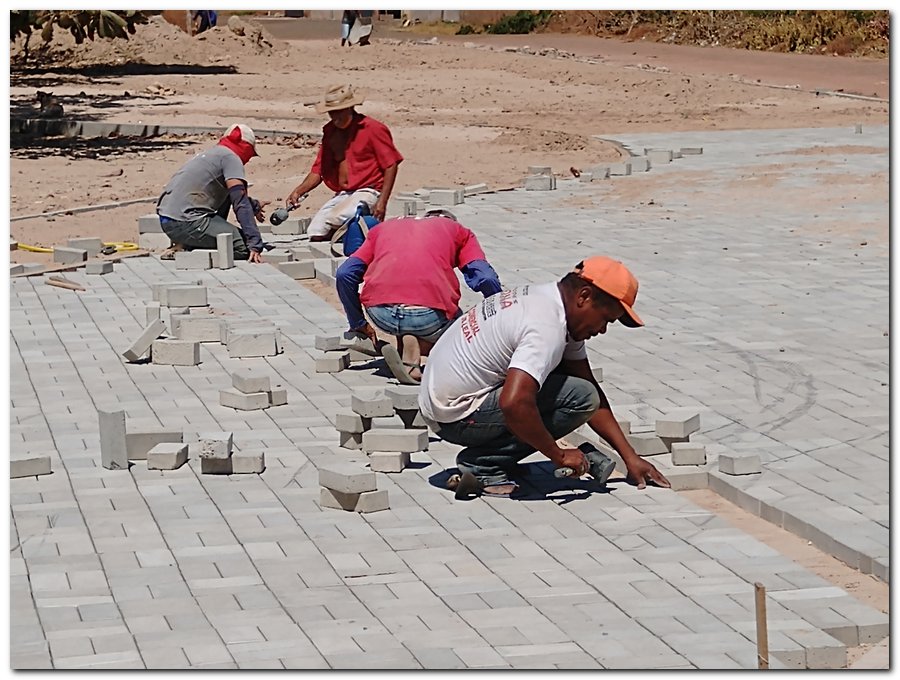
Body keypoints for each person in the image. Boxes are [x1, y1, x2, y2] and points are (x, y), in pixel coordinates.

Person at [418, 256, 671, 499]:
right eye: (605, 319)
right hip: (454, 414)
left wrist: (630, 457)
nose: (602, 329)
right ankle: (484, 465)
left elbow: (589, 385)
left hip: (439, 402)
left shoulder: (549, 301)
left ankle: (496, 457)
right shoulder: (546, 326)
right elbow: (514, 402)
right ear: (584, 296)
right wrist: (558, 456)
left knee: (578, 389)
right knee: (578, 398)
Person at [335, 209, 502, 383]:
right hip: (428, 317)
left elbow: (344, 274)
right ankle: (421, 345)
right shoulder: (459, 231)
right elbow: (486, 278)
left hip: (381, 315)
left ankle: (408, 350)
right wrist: (500, 317)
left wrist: (358, 324)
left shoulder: (383, 228)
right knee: (462, 328)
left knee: (405, 299)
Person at [286, 84, 402, 242]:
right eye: (332, 113)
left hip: (368, 190)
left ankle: (362, 223)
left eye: (339, 112)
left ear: (350, 108)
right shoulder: (330, 132)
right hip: (343, 193)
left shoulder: (373, 129)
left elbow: (391, 165)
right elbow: (319, 170)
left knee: (336, 217)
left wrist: (382, 202)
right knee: (315, 231)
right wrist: (298, 191)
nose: (335, 118)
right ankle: (349, 231)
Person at [156, 123, 268, 263]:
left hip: (168, 222)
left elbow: (231, 195)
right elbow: (239, 201)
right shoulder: (231, 158)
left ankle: (186, 243)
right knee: (242, 247)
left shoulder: (212, 154)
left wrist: (254, 205)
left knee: (227, 195)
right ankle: (190, 253)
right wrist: (255, 243)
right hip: (188, 222)